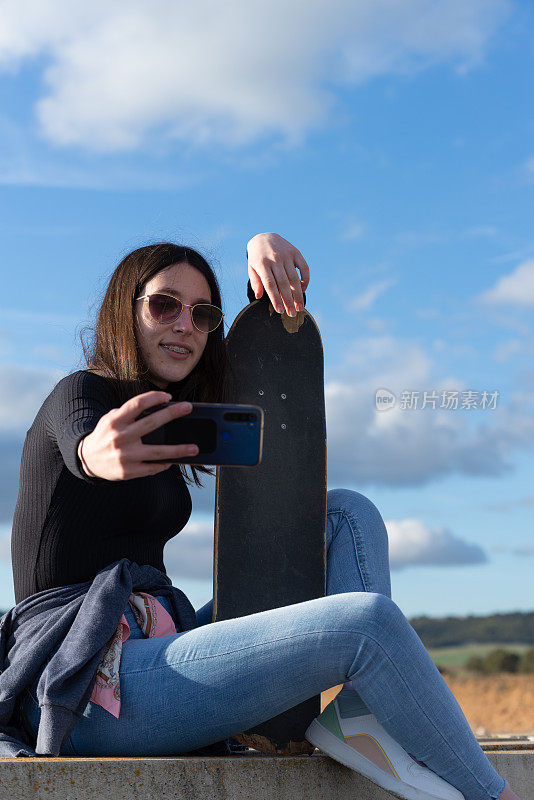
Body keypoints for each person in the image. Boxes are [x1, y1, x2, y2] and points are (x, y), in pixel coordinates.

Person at [11, 233, 520, 800]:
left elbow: (258, 350)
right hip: (87, 683)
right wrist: (95, 453)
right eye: (164, 304)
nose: (185, 324)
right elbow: (81, 434)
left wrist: (260, 252)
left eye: (203, 314)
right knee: (366, 623)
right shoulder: (78, 392)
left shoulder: (168, 429)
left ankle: (357, 716)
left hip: (158, 649)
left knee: (347, 515)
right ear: (123, 309)